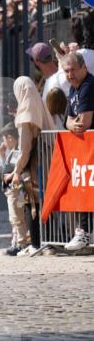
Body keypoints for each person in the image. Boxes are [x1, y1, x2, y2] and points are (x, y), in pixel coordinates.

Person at [10, 75, 54, 257]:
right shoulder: (39, 105)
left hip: (34, 164)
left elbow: (24, 148)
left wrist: (16, 171)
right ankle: (48, 242)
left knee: (31, 201)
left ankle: (36, 243)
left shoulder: (24, 114)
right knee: (47, 201)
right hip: (48, 158)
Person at [63, 51, 94, 252]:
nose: (70, 74)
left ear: (84, 68)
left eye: (73, 70)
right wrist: (72, 124)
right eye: (66, 71)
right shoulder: (73, 89)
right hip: (84, 151)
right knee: (83, 189)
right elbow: (67, 120)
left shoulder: (88, 86)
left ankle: (84, 233)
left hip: (90, 148)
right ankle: (83, 232)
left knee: (86, 189)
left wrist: (74, 124)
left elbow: (84, 123)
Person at [0, 122, 30, 256]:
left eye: (4, 139)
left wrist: (10, 176)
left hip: (16, 188)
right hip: (11, 189)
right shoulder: (11, 153)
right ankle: (15, 242)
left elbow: (18, 171)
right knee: (14, 217)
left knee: (17, 215)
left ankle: (21, 243)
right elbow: (2, 169)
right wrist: (2, 155)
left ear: (10, 138)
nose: (3, 142)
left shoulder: (18, 153)